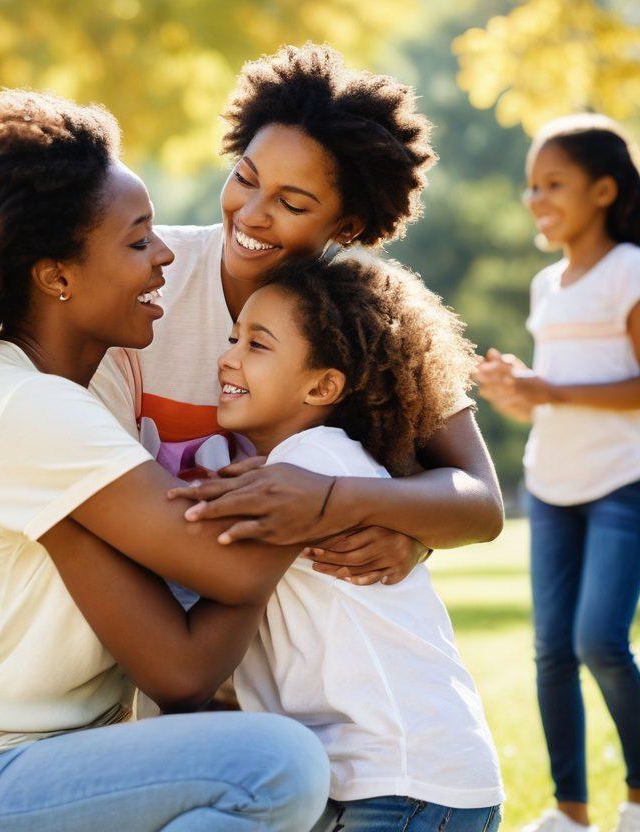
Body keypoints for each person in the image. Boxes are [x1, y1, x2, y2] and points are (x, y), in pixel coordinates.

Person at [0, 90, 329, 832]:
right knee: (278, 764)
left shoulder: (41, 401)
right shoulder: (30, 411)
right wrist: (311, 457)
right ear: (57, 276)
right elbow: (227, 587)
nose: (166, 255)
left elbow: (179, 668)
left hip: (16, 779)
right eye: (138, 241)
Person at [89, 42, 504, 593]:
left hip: (291, 651)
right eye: (245, 177)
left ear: (349, 227)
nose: (252, 214)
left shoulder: (361, 320)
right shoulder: (145, 273)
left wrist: (379, 517)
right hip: (151, 632)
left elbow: (480, 501)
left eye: (292, 203)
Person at [169, 253, 503, 832]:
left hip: (402, 783)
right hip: (385, 780)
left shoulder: (311, 460)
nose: (227, 356)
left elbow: (195, 552)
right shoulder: (301, 463)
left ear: (323, 385)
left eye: (257, 345)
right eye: (232, 337)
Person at [476, 114, 640, 832]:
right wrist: (518, 391)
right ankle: (569, 811)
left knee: (600, 640)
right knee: (552, 651)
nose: (536, 198)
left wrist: (550, 391)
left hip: (629, 479)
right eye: (531, 186)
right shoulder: (546, 285)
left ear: (602, 190)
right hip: (554, 481)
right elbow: (552, 399)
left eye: (553, 184)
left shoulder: (633, 269)